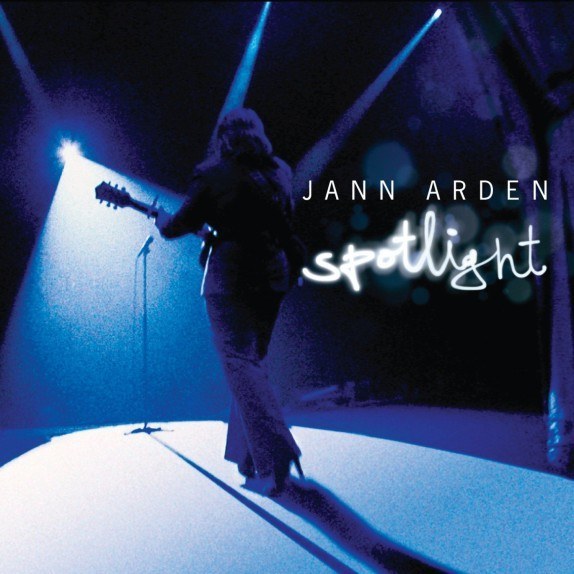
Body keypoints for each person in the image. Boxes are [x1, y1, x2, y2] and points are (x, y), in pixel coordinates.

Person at [155, 108, 304, 495]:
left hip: (231, 279)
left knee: (241, 365)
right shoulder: (280, 171)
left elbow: (177, 226)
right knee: (250, 367)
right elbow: (284, 222)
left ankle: (277, 451)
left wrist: (160, 218)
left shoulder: (212, 173)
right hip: (273, 277)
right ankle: (248, 456)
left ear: (224, 137)